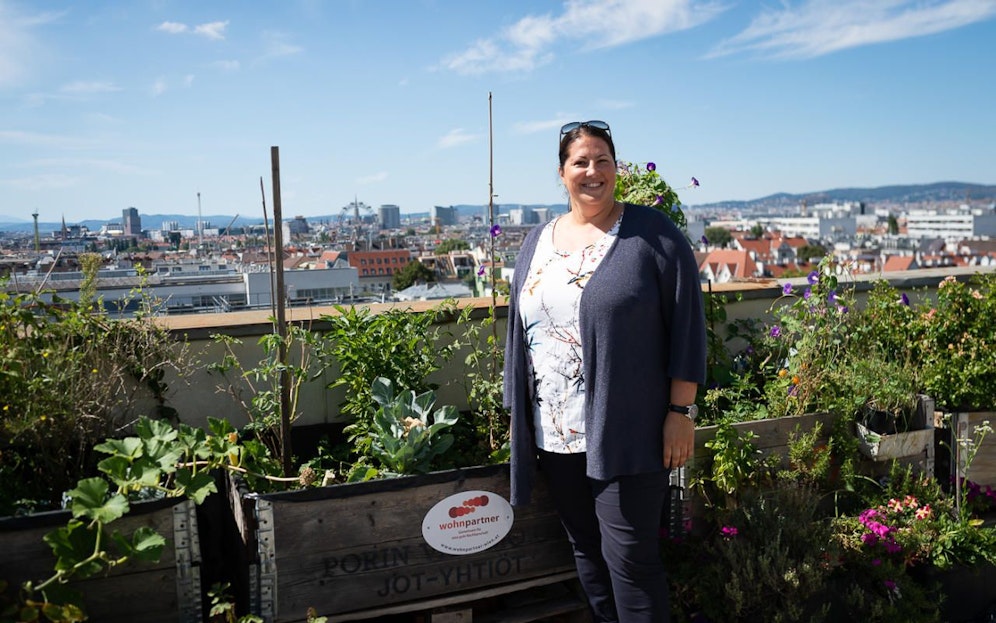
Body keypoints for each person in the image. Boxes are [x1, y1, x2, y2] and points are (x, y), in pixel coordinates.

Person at [503, 120, 707, 623]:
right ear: (562, 173)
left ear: (616, 169)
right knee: (587, 558)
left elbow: (687, 325)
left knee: (631, 563)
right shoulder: (537, 241)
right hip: (556, 435)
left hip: (626, 434)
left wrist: (681, 411)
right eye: (580, 162)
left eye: (602, 161)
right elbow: (523, 334)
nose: (592, 172)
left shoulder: (651, 236)